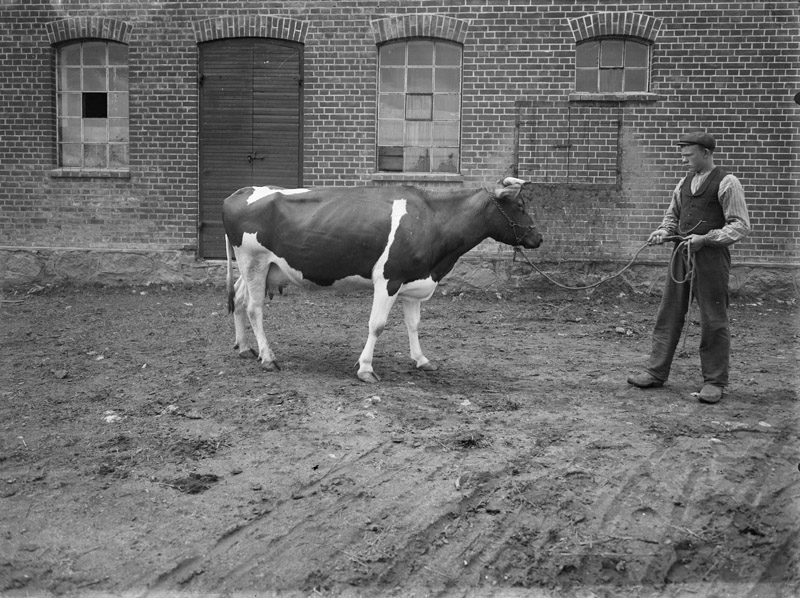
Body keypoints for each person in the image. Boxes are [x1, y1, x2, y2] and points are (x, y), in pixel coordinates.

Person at [627, 131, 751, 403]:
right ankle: (656, 372)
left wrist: (706, 239)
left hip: (711, 259)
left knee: (713, 319)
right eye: (682, 155)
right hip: (681, 255)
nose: (684, 159)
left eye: (689, 155)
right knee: (668, 314)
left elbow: (740, 225)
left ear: (706, 153)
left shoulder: (727, 182)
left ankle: (714, 382)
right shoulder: (684, 182)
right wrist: (663, 232)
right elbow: (672, 217)